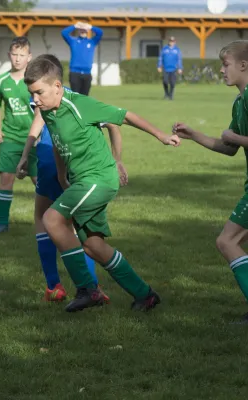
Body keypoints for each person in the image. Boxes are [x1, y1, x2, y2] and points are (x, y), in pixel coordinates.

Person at [24, 54, 180, 313]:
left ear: (57, 87)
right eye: (32, 94)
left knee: (52, 219)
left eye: (39, 92)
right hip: (82, 182)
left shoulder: (81, 105)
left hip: (99, 179)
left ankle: (88, 290)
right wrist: (62, 177)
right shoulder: (48, 109)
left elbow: (125, 116)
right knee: (93, 245)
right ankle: (145, 294)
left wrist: (162, 136)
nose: (35, 99)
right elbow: (60, 146)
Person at [173, 40, 248, 326]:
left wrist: (233, 137)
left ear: (243, 65)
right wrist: (195, 135)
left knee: (226, 241)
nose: (221, 70)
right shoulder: (242, 99)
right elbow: (228, 147)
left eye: (225, 64)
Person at [17, 84, 128, 302]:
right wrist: (117, 160)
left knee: (43, 216)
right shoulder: (77, 99)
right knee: (77, 228)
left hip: (52, 161)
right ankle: (94, 286)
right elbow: (114, 124)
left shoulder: (43, 97)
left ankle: (55, 286)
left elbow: (36, 125)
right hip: (79, 165)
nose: (35, 96)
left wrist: (25, 155)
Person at [0, 36, 38, 235]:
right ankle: (2, 223)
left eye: (22, 55)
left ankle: (52, 222)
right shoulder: (1, 81)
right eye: (14, 54)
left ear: (29, 57)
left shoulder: (35, 80)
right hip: (10, 139)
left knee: (41, 183)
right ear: (9, 55)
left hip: (34, 139)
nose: (17, 59)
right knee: (6, 180)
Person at [61, 22, 103, 96]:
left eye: (84, 30)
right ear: (78, 31)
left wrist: (90, 27)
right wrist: (75, 26)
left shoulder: (92, 42)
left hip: (87, 74)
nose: (83, 31)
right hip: (75, 73)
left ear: (87, 31)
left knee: (85, 97)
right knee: (75, 96)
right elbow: (64, 33)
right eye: (81, 30)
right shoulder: (73, 41)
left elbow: (100, 33)